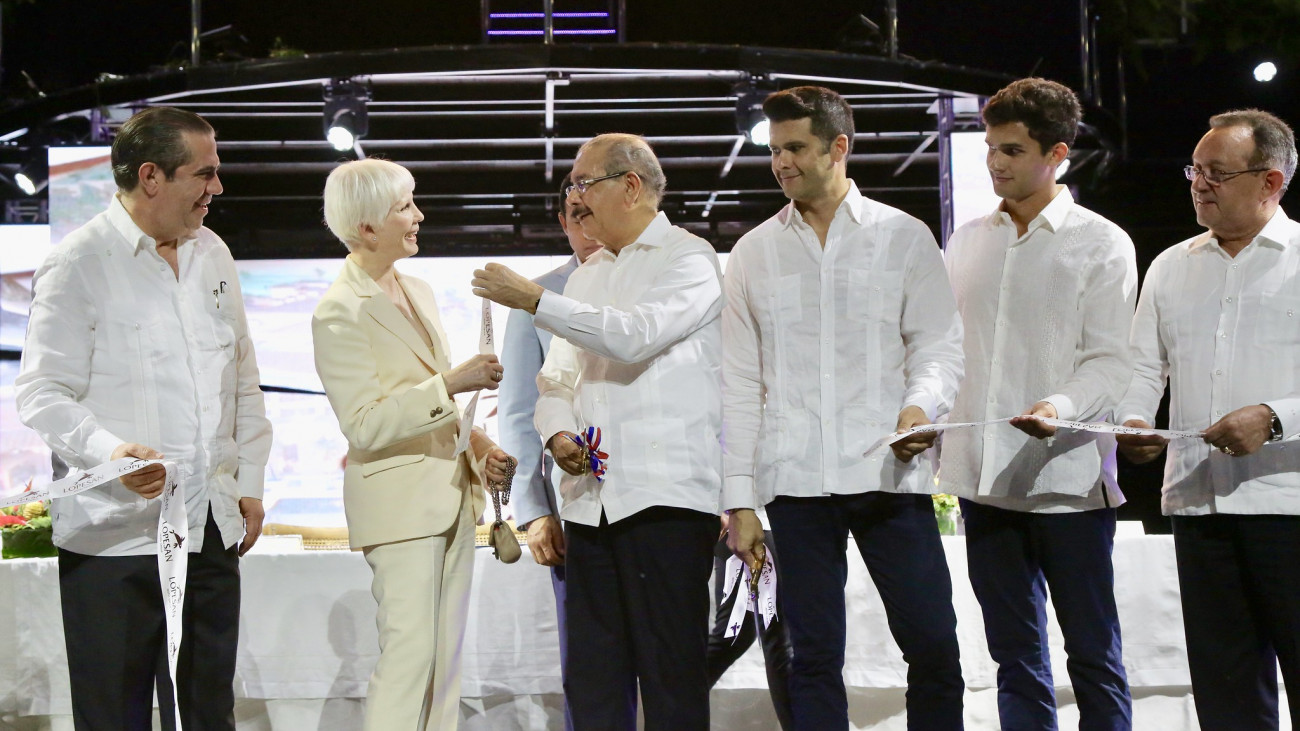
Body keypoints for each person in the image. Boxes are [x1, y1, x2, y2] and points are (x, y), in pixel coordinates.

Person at [14, 106, 272, 731]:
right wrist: (110, 455)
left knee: (209, 712)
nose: (217, 188)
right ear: (151, 176)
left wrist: (250, 484)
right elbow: (42, 392)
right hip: (115, 540)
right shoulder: (78, 263)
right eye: (204, 174)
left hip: (210, 527)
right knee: (114, 716)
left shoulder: (213, 254)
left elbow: (241, 380)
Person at [723, 85, 966, 731]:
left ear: (839, 147)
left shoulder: (904, 237)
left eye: (795, 147)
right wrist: (739, 499)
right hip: (796, 484)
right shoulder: (753, 252)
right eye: (774, 150)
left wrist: (920, 407)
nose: (781, 163)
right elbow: (741, 384)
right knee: (811, 657)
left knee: (935, 645)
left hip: (889, 476)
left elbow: (940, 346)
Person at [471, 133, 722, 731]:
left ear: (630, 187)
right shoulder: (587, 276)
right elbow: (552, 383)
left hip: (666, 502)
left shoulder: (688, 258)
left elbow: (632, 335)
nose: (576, 199)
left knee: (671, 678)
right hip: (590, 511)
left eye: (586, 184)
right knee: (593, 680)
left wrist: (535, 299)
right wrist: (558, 436)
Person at [940, 78, 1136, 730]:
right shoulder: (966, 240)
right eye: (991, 147)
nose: (995, 161)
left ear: (1057, 154)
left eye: (1013, 150)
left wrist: (1057, 404)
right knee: (1014, 656)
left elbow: (1113, 361)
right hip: (982, 485)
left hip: (1068, 484)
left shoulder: (1102, 242)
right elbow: (944, 350)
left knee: (1093, 654)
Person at [312, 158, 514, 731]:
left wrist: (478, 446)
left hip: (450, 495)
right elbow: (364, 425)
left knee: (444, 661)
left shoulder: (417, 289)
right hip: (397, 509)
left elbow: (437, 404)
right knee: (409, 659)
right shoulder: (338, 312)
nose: (418, 215)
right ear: (367, 227)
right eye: (405, 206)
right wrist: (450, 383)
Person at [1116, 109, 1300, 730]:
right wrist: (1136, 420)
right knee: (1224, 694)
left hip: (1289, 505)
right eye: (1195, 170)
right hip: (1201, 506)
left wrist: (1274, 419)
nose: (1198, 183)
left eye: (1217, 173)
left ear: (1270, 182)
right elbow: (1143, 370)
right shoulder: (1171, 265)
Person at [496, 174, 603, 731]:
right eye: (576, 215)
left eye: (594, 211)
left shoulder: (658, 284)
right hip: (573, 505)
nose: (587, 227)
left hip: (661, 504)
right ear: (562, 222)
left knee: (669, 656)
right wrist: (533, 511)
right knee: (588, 663)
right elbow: (516, 413)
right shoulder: (533, 297)